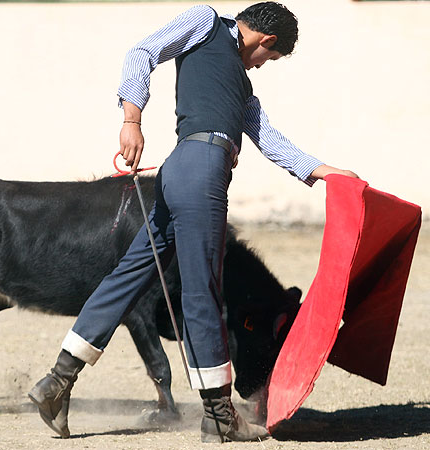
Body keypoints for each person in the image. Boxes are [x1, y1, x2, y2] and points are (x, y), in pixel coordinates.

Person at [29, 2, 358, 443]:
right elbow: (141, 52)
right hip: (201, 171)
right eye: (269, 59)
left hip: (177, 173)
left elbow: (268, 138)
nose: (261, 66)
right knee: (204, 289)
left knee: (128, 275)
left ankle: (57, 380)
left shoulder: (242, 88)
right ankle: (220, 415)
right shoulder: (205, 21)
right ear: (268, 40)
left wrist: (324, 171)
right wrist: (132, 118)